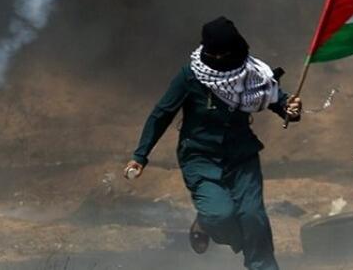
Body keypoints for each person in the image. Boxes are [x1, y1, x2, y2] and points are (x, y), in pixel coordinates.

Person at [124, 16, 301, 270]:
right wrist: (140, 156)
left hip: (242, 157)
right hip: (200, 157)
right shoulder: (190, 76)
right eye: (214, 55)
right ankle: (207, 224)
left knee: (253, 217)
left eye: (224, 55)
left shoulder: (252, 73)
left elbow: (275, 99)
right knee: (220, 216)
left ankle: (262, 265)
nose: (219, 59)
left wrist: (289, 109)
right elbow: (161, 114)